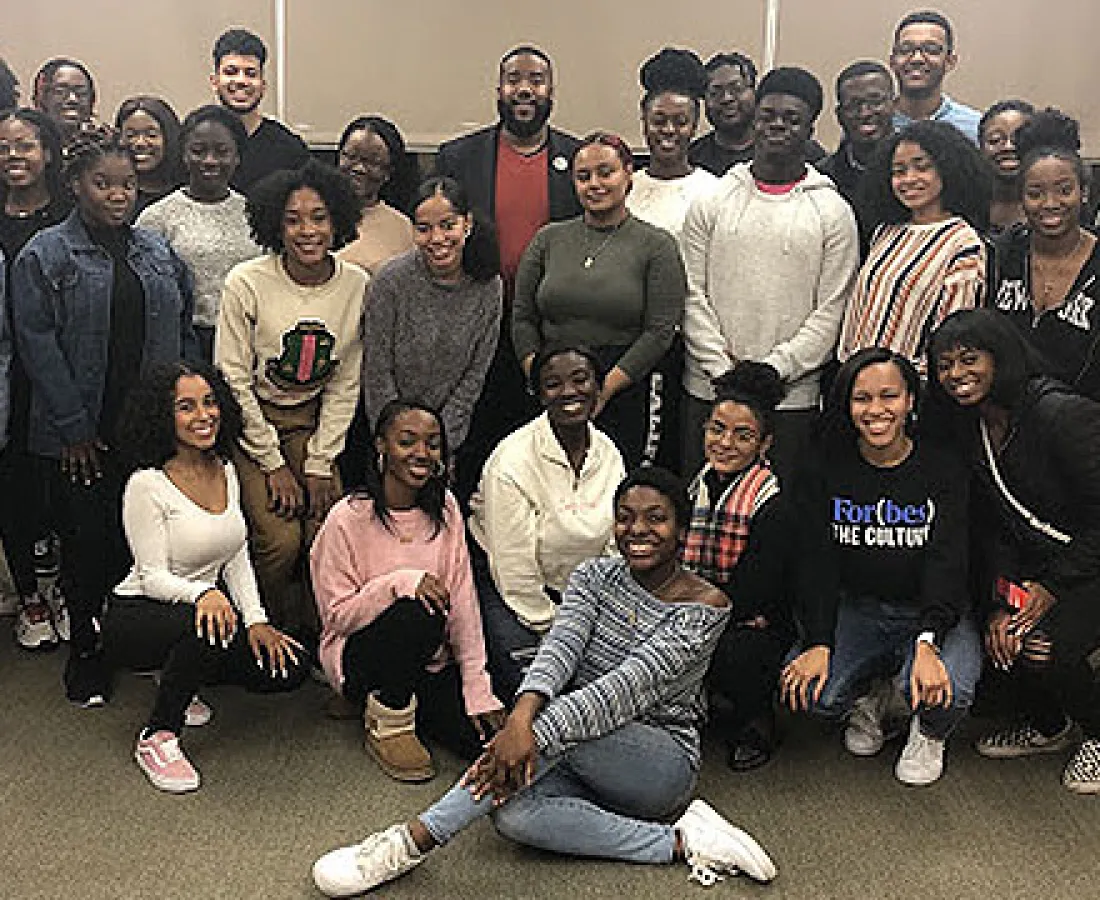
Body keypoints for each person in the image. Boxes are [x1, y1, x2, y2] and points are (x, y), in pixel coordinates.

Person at [312, 467, 776, 898]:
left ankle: (412, 840)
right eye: (626, 517)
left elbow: (621, 691)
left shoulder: (705, 609)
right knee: (513, 816)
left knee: (545, 730)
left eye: (656, 519)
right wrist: (520, 715)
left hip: (657, 762)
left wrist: (528, 730)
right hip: (575, 740)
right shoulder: (595, 576)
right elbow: (558, 650)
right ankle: (683, 841)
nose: (638, 530)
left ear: (681, 531)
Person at [11, 125, 196, 706]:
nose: (119, 195)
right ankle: (87, 653)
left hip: (147, 428)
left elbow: (184, 330)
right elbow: (36, 345)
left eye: (128, 184)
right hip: (81, 431)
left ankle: (140, 646)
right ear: (74, 185)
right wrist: (74, 429)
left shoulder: (156, 251)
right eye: (103, 184)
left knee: (145, 545)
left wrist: (184, 415)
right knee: (89, 545)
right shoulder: (45, 254)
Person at [105, 361, 307, 793]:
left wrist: (256, 620)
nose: (205, 415)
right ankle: (158, 733)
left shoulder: (226, 470)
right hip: (137, 614)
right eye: (187, 407)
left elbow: (235, 554)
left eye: (211, 402)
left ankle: (179, 672)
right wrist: (204, 594)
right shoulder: (146, 485)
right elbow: (153, 576)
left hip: (204, 612)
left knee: (288, 671)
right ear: (164, 416)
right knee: (207, 624)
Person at [782, 348, 979, 786]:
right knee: (811, 694)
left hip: (935, 612)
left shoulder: (943, 466)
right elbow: (816, 563)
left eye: (888, 396)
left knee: (947, 692)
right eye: (861, 398)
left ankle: (928, 731)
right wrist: (818, 640)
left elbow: (947, 562)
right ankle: (877, 692)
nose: (875, 411)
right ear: (846, 405)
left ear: (911, 401)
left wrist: (929, 642)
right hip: (862, 608)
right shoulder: (823, 466)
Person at [927, 308, 1100, 794]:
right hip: (1048, 562)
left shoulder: (1060, 414)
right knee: (1003, 631)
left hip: (1085, 563)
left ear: (999, 356)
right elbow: (998, 525)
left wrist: (1050, 586)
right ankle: (1050, 728)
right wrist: (1006, 599)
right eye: (944, 365)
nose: (956, 375)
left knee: (1042, 645)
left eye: (969, 359)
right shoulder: (973, 424)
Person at [311, 400, 504, 782]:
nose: (422, 453)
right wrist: (400, 583)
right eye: (407, 441)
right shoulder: (347, 517)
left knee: (482, 742)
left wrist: (477, 687)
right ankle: (389, 716)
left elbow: (463, 602)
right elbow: (336, 615)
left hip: (428, 657)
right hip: (357, 653)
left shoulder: (446, 508)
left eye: (432, 444)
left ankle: (404, 701)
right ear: (382, 446)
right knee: (416, 610)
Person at [681, 67, 858, 481]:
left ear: (811, 128)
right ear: (754, 119)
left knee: (778, 521)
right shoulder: (713, 199)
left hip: (789, 400)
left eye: (792, 119)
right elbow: (690, 291)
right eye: (768, 115)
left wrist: (771, 371)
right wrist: (724, 372)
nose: (778, 125)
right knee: (703, 515)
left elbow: (832, 310)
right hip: (710, 391)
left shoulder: (832, 211)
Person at [214, 160, 365, 640]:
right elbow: (232, 379)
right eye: (293, 218)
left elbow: (346, 383)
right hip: (251, 424)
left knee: (326, 531)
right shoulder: (246, 281)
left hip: (315, 426)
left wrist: (320, 462)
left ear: (337, 221)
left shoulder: (356, 285)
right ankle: (266, 633)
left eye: (319, 217)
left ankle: (325, 634)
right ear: (274, 225)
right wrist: (273, 463)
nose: (307, 230)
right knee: (280, 540)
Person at [436, 45, 583, 502]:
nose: (524, 89)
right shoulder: (459, 157)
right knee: (476, 440)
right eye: (514, 79)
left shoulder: (576, 159)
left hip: (547, 328)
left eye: (536, 80)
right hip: (476, 320)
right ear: (498, 90)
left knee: (540, 445)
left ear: (551, 91)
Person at [514, 132, 685, 470]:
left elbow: (659, 332)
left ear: (628, 174)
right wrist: (543, 381)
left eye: (606, 172)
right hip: (553, 384)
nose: (595, 184)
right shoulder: (549, 238)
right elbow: (522, 316)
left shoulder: (657, 245)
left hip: (625, 386)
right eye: (583, 176)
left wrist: (603, 390)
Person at [469, 345, 625, 701]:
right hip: (511, 589)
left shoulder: (609, 452)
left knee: (607, 680)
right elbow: (513, 568)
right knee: (535, 688)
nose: (569, 392)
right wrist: (557, 631)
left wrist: (592, 617)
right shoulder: (510, 463)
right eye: (553, 384)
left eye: (581, 379)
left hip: (582, 594)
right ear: (538, 394)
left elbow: (616, 544)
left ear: (598, 387)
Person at [683, 363, 790, 771]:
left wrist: (689, 609)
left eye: (742, 435)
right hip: (697, 602)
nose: (725, 443)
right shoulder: (696, 484)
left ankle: (755, 718)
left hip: (749, 619)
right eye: (716, 429)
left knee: (741, 652)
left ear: (764, 444)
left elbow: (756, 592)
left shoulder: (773, 503)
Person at [361, 176, 502, 464]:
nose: (437, 239)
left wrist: (438, 443)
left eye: (448, 225)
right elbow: (377, 371)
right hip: (388, 441)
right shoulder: (390, 281)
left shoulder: (489, 286)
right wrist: (398, 440)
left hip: (448, 441)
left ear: (468, 224)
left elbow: (474, 377)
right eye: (424, 229)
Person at [0, 108, 71, 649]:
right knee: (15, 491)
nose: (13, 157)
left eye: (25, 146)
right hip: (7, 378)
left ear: (48, 152)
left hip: (63, 369)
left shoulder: (73, 214)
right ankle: (29, 596)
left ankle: (68, 588)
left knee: (66, 486)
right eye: (3, 147)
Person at [837, 120, 989, 368]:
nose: (909, 179)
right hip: (856, 382)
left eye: (922, 167)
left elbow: (953, 338)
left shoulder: (964, 244)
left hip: (912, 389)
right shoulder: (885, 232)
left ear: (947, 170)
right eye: (899, 171)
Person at [989, 109, 1100, 401]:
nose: (1050, 204)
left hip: (1082, 424)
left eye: (1064, 190)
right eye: (1036, 193)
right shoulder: (1003, 253)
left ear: (1084, 193)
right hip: (1004, 416)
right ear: (1022, 199)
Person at [137, 104, 260, 361]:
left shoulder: (256, 214)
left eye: (222, 152)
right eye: (198, 151)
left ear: (237, 156)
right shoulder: (156, 217)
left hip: (247, 340)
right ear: (183, 154)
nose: (210, 161)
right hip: (183, 342)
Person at [626, 48, 716, 242]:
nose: (668, 130)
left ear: (694, 126)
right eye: (658, 121)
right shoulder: (625, 187)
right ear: (644, 121)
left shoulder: (712, 192)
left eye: (680, 121)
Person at [690, 52, 827, 177]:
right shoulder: (693, 157)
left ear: (755, 92)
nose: (727, 98)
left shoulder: (804, 152)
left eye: (737, 89)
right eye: (715, 93)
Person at [209, 28, 309, 192]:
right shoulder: (195, 144)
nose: (241, 80)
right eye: (231, 72)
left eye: (250, 73)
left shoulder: (289, 149)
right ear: (214, 81)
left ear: (263, 84)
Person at [817, 61, 897, 259]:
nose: (865, 113)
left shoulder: (920, 172)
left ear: (894, 105)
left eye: (875, 101)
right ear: (839, 115)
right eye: (853, 105)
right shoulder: (823, 179)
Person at [335, 115, 416, 277]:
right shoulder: (313, 213)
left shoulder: (402, 228)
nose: (359, 168)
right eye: (350, 156)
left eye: (372, 162)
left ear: (388, 172)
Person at [889, 10, 981, 144]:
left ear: (950, 61)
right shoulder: (876, 125)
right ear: (893, 61)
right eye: (905, 49)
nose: (917, 59)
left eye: (931, 50)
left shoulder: (974, 128)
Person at [115, 96, 182, 216]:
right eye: (131, 135)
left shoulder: (186, 191)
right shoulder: (113, 197)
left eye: (151, 135)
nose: (140, 143)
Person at [979, 100, 1035, 235]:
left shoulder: (1052, 206)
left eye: (1020, 139)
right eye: (995, 140)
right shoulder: (965, 206)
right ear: (980, 148)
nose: (1008, 147)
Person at [32, 57, 96, 141]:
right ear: (42, 97)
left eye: (81, 92)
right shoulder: (25, 145)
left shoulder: (102, 148)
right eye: (61, 91)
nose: (73, 99)